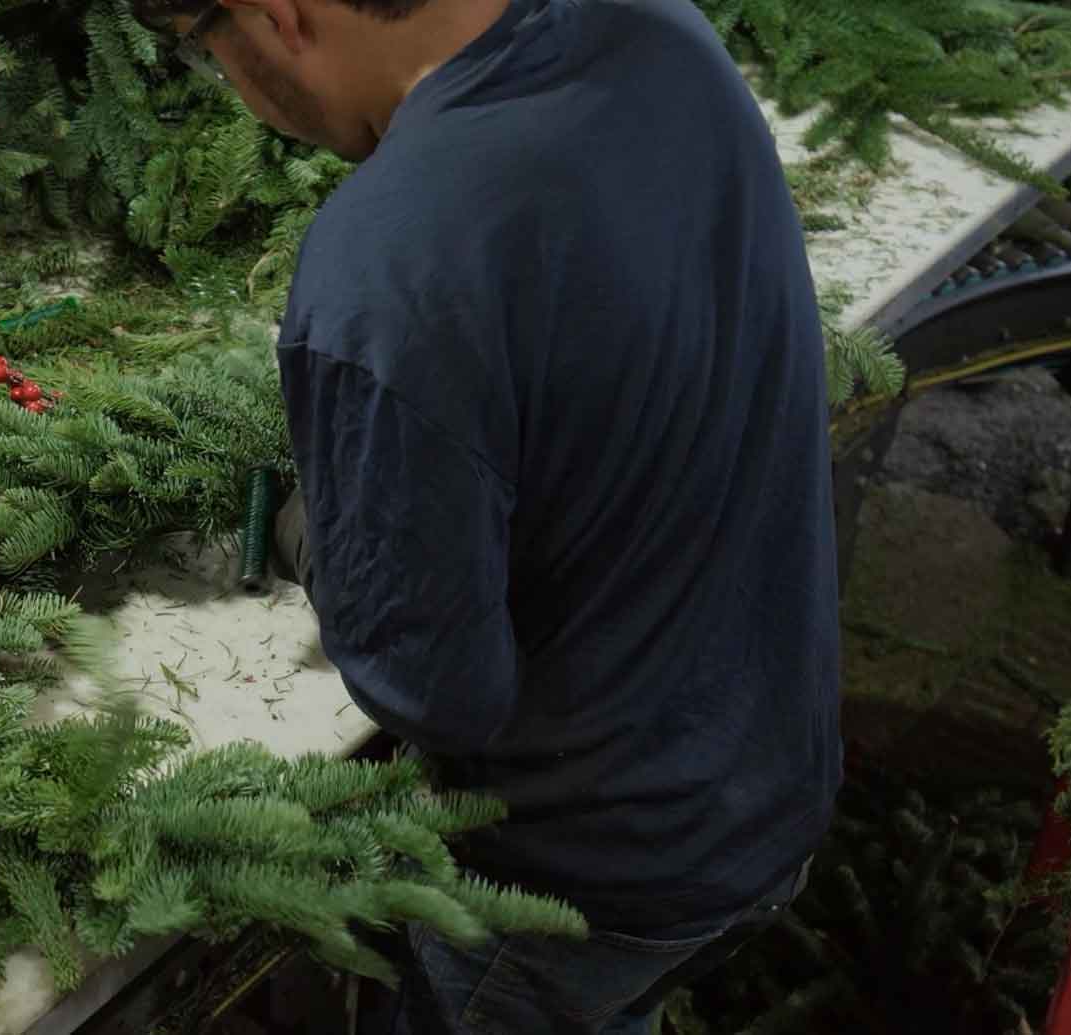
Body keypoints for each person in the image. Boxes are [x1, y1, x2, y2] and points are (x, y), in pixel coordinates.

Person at [130, 0, 842, 1032]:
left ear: (276, 16)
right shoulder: (658, 31)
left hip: (578, 886)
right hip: (767, 793)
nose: (231, 90)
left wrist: (312, 534)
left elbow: (433, 688)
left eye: (206, 52)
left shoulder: (390, 258)